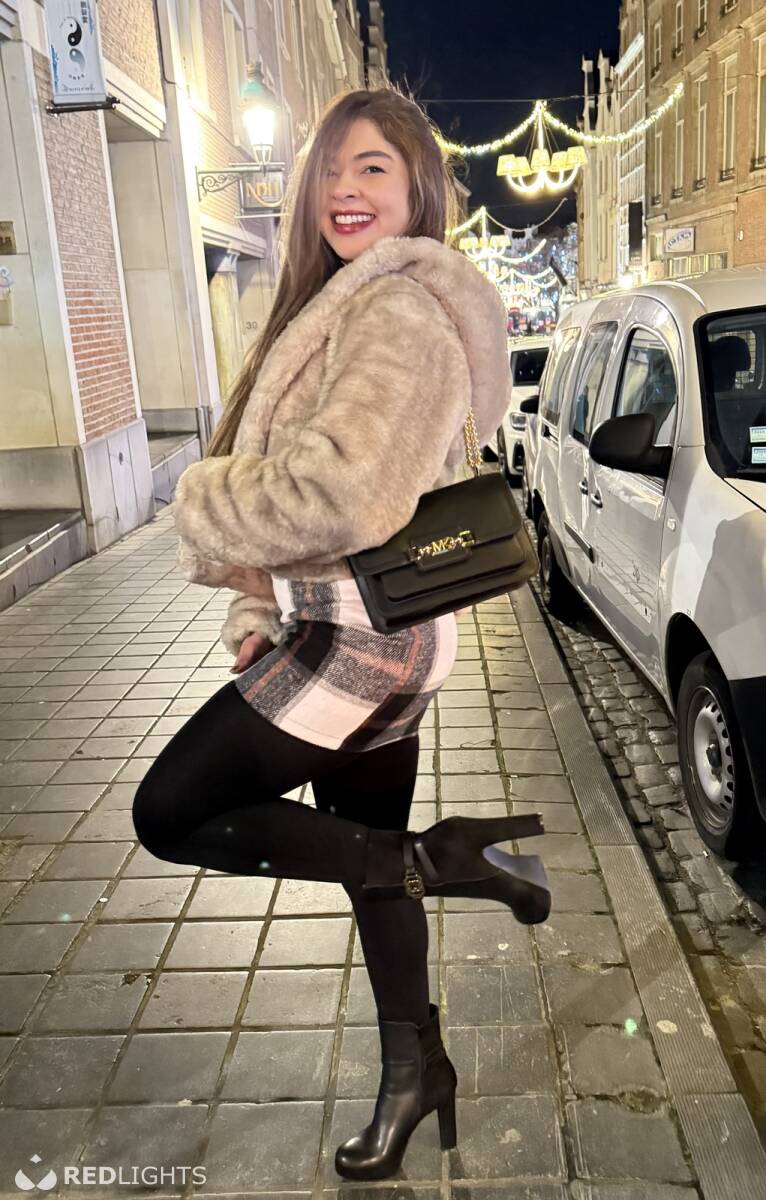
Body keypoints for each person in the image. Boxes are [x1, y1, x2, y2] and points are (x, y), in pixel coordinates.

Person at [131, 86, 549, 1183]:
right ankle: (418, 1072)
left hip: (365, 642)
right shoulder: (347, 303)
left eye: (374, 168)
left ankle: (444, 859)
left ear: (418, 188)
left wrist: (198, 499)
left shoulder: (396, 312)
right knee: (371, 871)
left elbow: (344, 494)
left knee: (172, 810)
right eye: (331, 167)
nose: (345, 189)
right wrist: (255, 608)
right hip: (369, 628)